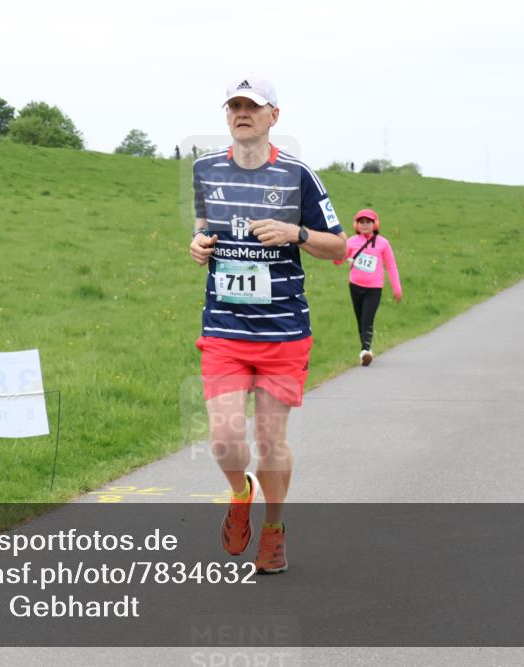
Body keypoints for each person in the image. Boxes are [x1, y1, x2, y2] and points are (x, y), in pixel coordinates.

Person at [189, 75, 346, 574]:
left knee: (271, 441)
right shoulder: (204, 170)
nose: (242, 113)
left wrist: (296, 233)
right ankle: (241, 493)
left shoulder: (298, 175)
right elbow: (202, 229)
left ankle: (274, 529)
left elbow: (340, 247)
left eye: (252, 107)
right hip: (224, 330)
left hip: (282, 333)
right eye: (234, 106)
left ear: (273, 116)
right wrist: (197, 246)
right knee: (224, 438)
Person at [333, 209, 402, 365]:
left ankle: (366, 350)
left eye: (368, 222)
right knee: (360, 319)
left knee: (367, 319)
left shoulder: (383, 243)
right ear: (356, 225)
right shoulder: (351, 241)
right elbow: (339, 260)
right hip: (355, 286)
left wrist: (397, 288)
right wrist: (337, 253)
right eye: (361, 222)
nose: (365, 225)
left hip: (374, 288)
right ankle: (365, 350)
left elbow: (391, 266)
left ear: (375, 224)